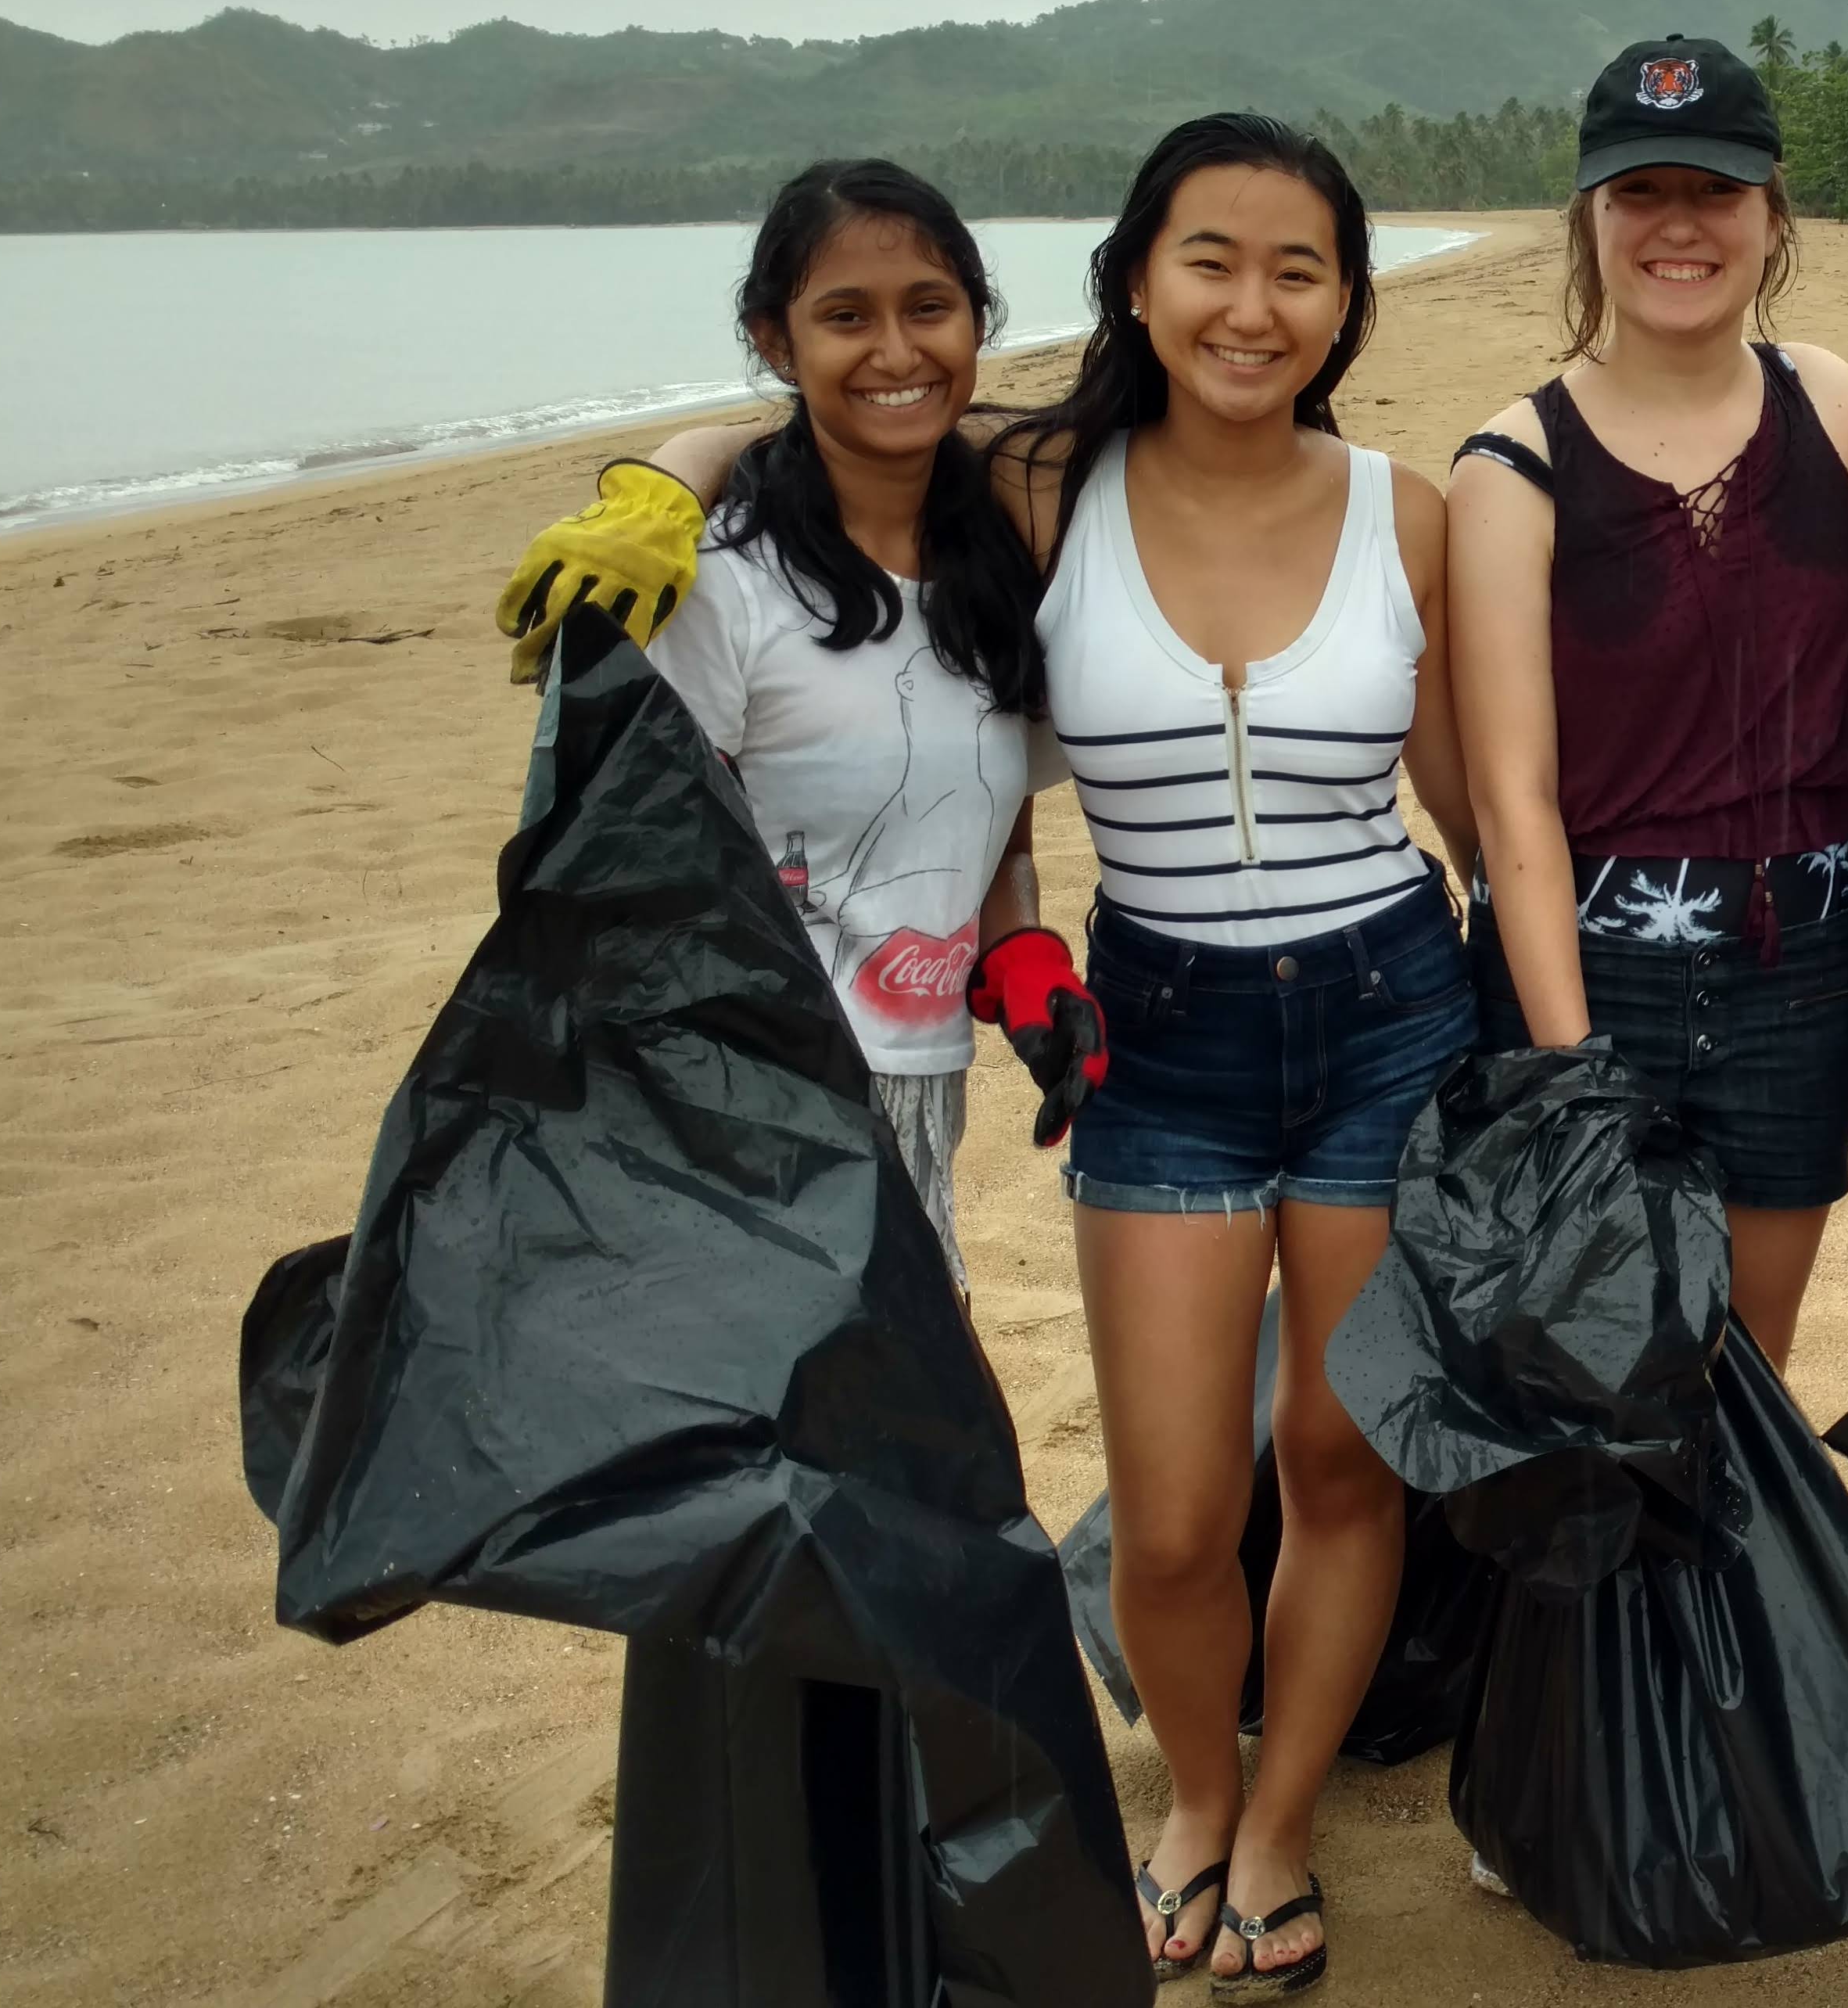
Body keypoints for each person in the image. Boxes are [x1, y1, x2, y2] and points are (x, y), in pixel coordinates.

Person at [510, 116, 1470, 1999]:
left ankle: (1274, 1829)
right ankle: (1193, 1797)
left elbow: (1481, 801)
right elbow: (814, 446)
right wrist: (653, 475)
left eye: (1299, 268)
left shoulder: (1404, 510)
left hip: (1386, 1018)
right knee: (1177, 1512)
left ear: (1347, 298)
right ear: (1136, 280)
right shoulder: (1037, 487)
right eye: (1211, 259)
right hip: (1165, 1037)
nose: (1252, 305)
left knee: (1342, 1468)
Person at [498, 156, 1087, 1291]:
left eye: (929, 308)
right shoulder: (722, 587)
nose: (897, 352)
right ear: (777, 342)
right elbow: (608, 868)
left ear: (978, 320)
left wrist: (1018, 947)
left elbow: (989, 807)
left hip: (921, 1087)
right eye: (845, 318)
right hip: (741, 1104)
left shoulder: (1001, 567)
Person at [1444, 35, 1848, 1374]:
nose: (1678, 226)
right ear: (1590, 213)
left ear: (1771, 209)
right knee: (1586, 1366)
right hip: (1590, 965)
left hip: (1799, 968)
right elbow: (1511, 795)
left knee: (1748, 1371)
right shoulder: (1514, 462)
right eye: (1641, 192)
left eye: (1716, 190)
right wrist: (1569, 1067)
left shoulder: (1841, 408)